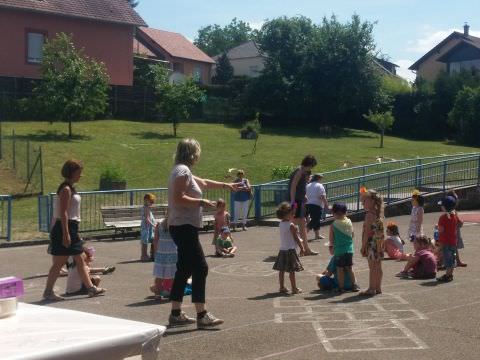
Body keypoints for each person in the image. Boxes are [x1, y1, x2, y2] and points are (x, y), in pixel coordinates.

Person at [167, 138, 240, 328]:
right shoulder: (182, 171)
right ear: (192, 153)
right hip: (184, 226)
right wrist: (202, 203)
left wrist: (226, 186)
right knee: (201, 267)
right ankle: (202, 314)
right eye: (197, 152)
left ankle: (176, 313)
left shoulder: (182, 170)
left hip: (182, 226)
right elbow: (178, 197)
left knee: (184, 268)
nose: (199, 155)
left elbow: (205, 183)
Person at [44, 160, 105, 300]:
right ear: (71, 173)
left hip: (72, 227)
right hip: (64, 228)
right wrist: (66, 234)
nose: (80, 175)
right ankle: (48, 292)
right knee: (59, 263)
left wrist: (74, 232)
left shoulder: (70, 188)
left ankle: (91, 288)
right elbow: (63, 213)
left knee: (81, 259)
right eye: (78, 172)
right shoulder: (65, 189)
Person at [288, 155, 319, 255]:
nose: (312, 168)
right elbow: (293, 186)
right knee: (294, 223)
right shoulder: (300, 171)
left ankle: (305, 249)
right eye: (312, 166)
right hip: (296, 201)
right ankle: (295, 248)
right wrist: (293, 201)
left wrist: (304, 195)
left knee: (302, 223)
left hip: (299, 200)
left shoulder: (301, 171)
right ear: (309, 164)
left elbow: (298, 187)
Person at [273, 202, 305, 294]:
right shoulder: (291, 225)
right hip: (290, 250)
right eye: (291, 213)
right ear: (286, 214)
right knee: (292, 271)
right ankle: (294, 288)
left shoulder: (281, 224)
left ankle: (282, 287)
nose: (293, 215)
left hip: (283, 249)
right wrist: (302, 247)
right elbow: (296, 238)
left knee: (281, 270)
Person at [328, 203, 360, 293]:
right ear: (345, 212)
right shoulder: (349, 222)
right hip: (349, 249)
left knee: (340, 269)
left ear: (334, 213)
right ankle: (355, 285)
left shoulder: (333, 225)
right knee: (350, 268)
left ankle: (341, 287)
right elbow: (352, 235)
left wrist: (331, 247)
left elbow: (331, 239)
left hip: (339, 250)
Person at [360, 188, 384, 296]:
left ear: (372, 201)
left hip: (372, 244)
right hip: (379, 243)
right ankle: (378, 287)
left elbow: (367, 232)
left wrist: (363, 245)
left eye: (364, 201)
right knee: (378, 266)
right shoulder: (378, 213)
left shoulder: (369, 215)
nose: (362, 203)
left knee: (372, 267)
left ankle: (371, 288)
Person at [151, 216, 177, 299]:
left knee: (159, 275)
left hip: (161, 252)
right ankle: (173, 293)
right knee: (173, 274)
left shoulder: (159, 224)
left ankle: (157, 294)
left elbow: (155, 239)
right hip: (173, 252)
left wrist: (155, 252)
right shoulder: (176, 223)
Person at [436, 196, 458, 282]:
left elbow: (441, 230)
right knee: (451, 258)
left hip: (445, 242)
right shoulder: (454, 216)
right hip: (452, 241)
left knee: (447, 259)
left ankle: (448, 275)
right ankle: (450, 274)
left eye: (442, 205)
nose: (441, 207)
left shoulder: (443, 218)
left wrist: (437, 227)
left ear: (445, 207)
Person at [446, 190, 467, 267]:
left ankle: (457, 261)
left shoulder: (453, 210)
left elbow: (457, 221)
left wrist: (460, 222)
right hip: (452, 232)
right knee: (451, 247)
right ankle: (452, 262)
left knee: (454, 247)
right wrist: (459, 222)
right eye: (456, 199)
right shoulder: (449, 211)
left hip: (455, 231)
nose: (457, 201)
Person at [306, 174, 329, 240]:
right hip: (316, 205)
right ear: (319, 179)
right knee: (315, 219)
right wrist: (326, 205)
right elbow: (322, 196)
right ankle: (304, 233)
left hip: (307, 204)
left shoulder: (308, 185)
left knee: (316, 220)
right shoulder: (320, 186)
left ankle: (317, 235)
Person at [140, 193, 156, 262]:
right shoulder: (146, 208)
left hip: (147, 227)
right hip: (146, 227)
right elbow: (147, 219)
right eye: (151, 201)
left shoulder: (147, 208)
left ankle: (146, 255)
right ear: (146, 200)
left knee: (148, 240)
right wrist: (153, 225)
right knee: (145, 241)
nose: (152, 203)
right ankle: (144, 255)